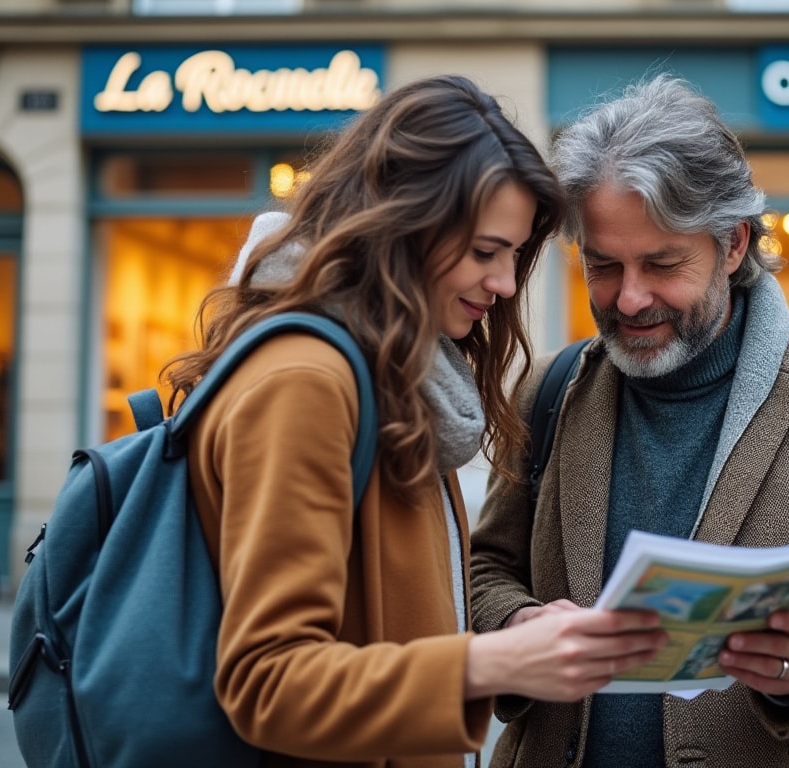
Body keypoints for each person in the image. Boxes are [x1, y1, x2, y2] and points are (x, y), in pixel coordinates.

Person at [164, 74, 666, 768]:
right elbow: (266, 682)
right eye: (486, 251)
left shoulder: (395, 377)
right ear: (404, 226)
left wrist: (513, 634)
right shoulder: (308, 382)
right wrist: (490, 662)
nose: (505, 284)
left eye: (515, 256)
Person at [470, 74, 789, 768]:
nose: (629, 297)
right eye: (602, 265)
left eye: (662, 263)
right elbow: (483, 568)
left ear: (732, 246)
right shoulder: (548, 392)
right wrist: (516, 625)